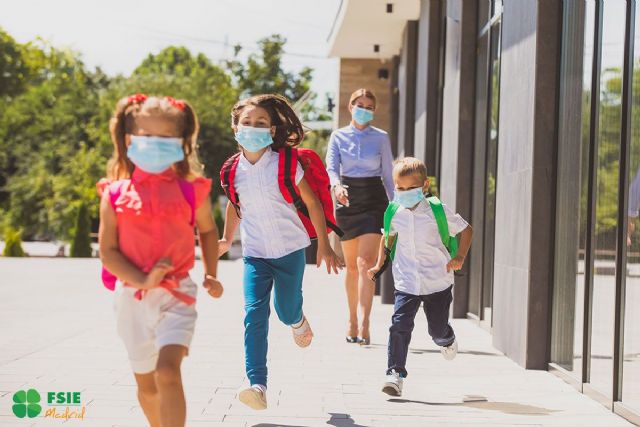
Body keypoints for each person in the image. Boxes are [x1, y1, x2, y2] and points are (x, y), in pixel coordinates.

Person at [98, 94, 223, 427]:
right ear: (129, 140)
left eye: (166, 137)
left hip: (177, 294)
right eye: (147, 136)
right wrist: (142, 280)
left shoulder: (191, 189)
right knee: (148, 387)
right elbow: (108, 251)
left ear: (182, 143)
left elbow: (208, 232)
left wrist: (211, 273)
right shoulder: (113, 194)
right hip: (131, 300)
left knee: (168, 371)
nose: (155, 144)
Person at [218, 94, 344, 411]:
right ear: (235, 128)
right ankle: (256, 384)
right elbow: (236, 206)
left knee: (286, 311)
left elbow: (313, 202)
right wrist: (225, 239)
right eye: (246, 123)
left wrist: (325, 244)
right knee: (254, 315)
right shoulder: (233, 171)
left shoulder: (286, 163)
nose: (253, 127)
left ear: (272, 130)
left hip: (290, 249)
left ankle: (298, 321)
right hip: (255, 254)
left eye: (261, 123)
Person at [367, 157, 473, 397]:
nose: (403, 193)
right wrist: (377, 265)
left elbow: (466, 230)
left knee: (435, 330)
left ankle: (446, 338)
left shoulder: (437, 211)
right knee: (399, 326)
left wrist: (460, 257)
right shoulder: (394, 212)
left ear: (424, 185)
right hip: (406, 282)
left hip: (438, 281)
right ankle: (395, 374)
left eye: (410, 188)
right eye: (399, 188)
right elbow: (388, 238)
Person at [325, 88, 394, 345]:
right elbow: (331, 167)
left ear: (374, 111)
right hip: (347, 198)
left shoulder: (381, 138)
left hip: (374, 199)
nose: (364, 109)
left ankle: (365, 323)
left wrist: (395, 207)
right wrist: (336, 186)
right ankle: (351, 319)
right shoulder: (338, 136)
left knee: (367, 263)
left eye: (369, 106)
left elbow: (388, 174)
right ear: (350, 106)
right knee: (352, 266)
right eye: (360, 104)